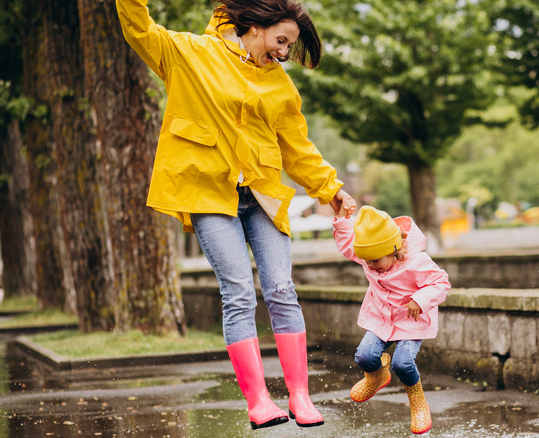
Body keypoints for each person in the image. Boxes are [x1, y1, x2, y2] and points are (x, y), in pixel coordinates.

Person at [116, 0, 356, 430]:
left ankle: (300, 396)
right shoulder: (189, 53)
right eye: (281, 41)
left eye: (289, 46)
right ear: (255, 26)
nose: (283, 52)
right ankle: (259, 401)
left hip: (261, 194)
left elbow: (296, 148)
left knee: (282, 288)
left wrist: (331, 190)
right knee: (239, 292)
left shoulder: (280, 84)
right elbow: (139, 28)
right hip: (208, 194)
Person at [332, 206, 450, 435]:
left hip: (410, 320)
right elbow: (348, 245)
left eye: (375, 261)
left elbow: (441, 282)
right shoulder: (370, 256)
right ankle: (377, 375)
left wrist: (420, 299)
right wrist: (341, 219)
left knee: (402, 363)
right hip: (382, 319)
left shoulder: (416, 262)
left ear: (393, 251)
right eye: (366, 261)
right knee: (364, 356)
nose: (370, 266)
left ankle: (418, 402)